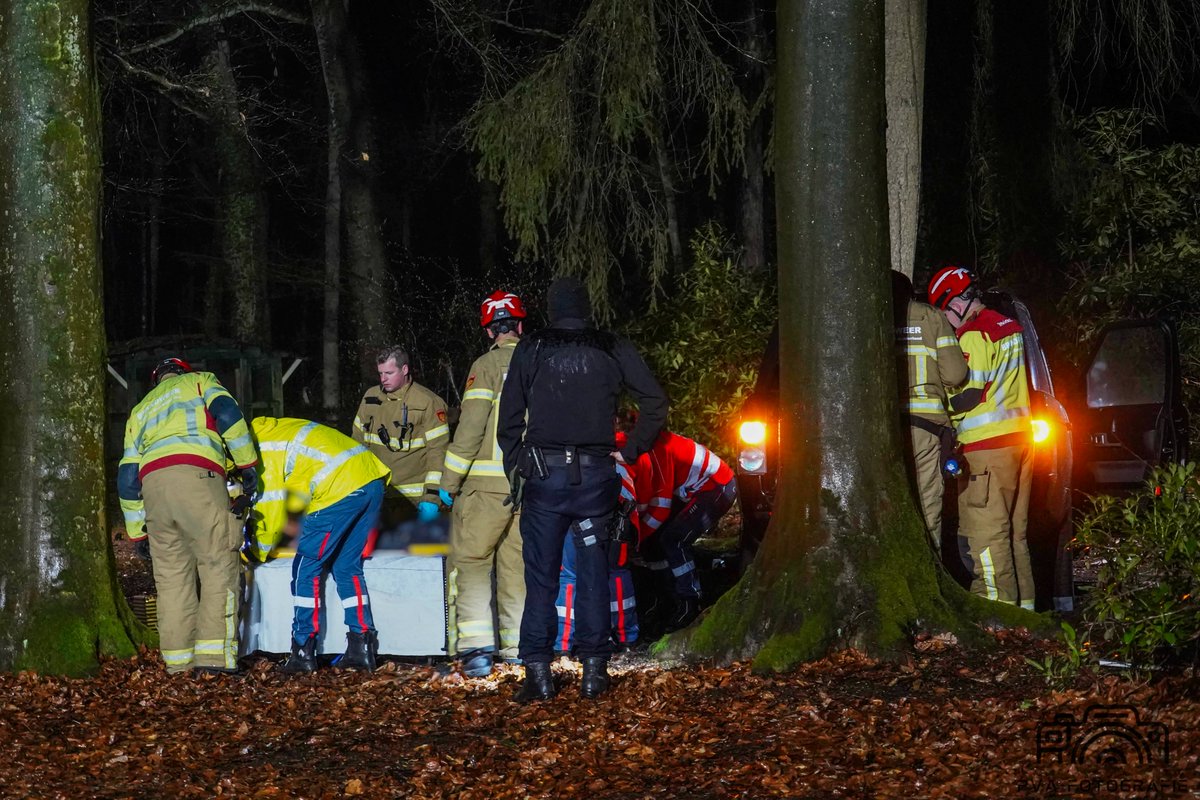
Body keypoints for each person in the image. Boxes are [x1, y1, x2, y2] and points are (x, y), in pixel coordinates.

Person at [498, 277, 668, 701]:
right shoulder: (610, 345)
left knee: (541, 578)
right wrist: (630, 451)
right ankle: (594, 673)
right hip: (595, 479)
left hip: (544, 478)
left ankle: (538, 675)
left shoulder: (532, 346)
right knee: (594, 574)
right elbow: (655, 401)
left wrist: (517, 461)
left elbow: (510, 416)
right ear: (586, 308)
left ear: (553, 309)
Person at [117, 357, 258, 674]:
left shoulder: (140, 410)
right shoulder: (201, 381)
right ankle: (214, 661)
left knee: (171, 581)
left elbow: (126, 478)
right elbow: (227, 415)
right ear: (184, 370)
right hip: (198, 477)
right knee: (217, 564)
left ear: (157, 380)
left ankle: (178, 665)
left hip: (154, 491)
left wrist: (137, 532)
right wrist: (247, 465)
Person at [927, 266, 1036, 609]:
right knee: (1016, 537)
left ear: (956, 302)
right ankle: (1026, 614)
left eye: (944, 312)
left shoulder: (974, 335)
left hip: (987, 451)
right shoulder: (1008, 327)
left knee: (985, 540)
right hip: (1021, 443)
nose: (946, 321)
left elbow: (969, 394)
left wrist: (939, 408)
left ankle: (996, 616)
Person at [248, 417, 391, 672]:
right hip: (372, 480)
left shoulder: (261, 448)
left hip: (340, 489)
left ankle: (303, 651)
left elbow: (270, 508)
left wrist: (256, 551)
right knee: (347, 566)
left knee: (305, 568)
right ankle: (361, 649)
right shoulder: (276, 428)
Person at [440, 291, 528, 678]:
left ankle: (476, 652)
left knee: (472, 561)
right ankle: (518, 646)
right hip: (530, 483)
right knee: (517, 564)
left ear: (490, 329)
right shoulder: (540, 362)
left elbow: (472, 426)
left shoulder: (487, 365)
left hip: (485, 487)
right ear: (520, 325)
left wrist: (449, 480)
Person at [618, 427, 737, 633]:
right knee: (654, 543)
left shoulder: (659, 451)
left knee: (674, 539)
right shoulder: (645, 444)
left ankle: (690, 602)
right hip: (690, 490)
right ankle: (665, 599)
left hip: (716, 486)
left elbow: (660, 510)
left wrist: (635, 540)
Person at [892, 271, 969, 546]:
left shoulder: (871, 317)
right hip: (925, 428)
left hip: (884, 429)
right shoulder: (930, 316)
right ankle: (929, 569)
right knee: (927, 508)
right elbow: (955, 374)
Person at [352, 347, 449, 527]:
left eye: (389, 373)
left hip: (413, 502)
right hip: (376, 498)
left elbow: (438, 453)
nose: (383, 379)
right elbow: (356, 445)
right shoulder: (370, 398)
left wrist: (432, 496)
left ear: (404, 370)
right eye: (380, 373)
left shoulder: (427, 402)